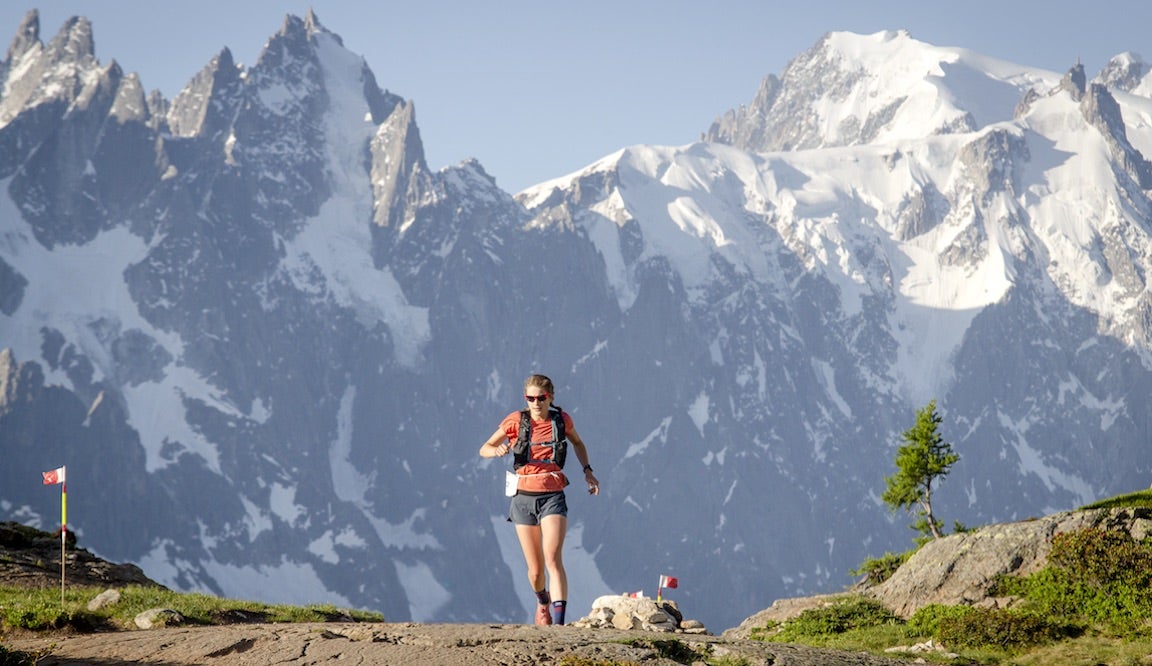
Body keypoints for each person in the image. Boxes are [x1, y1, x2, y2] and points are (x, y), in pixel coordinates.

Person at [479, 374, 599, 626]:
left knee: (553, 558)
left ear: (550, 397)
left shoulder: (561, 421)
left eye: (541, 398)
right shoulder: (515, 421)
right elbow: (485, 447)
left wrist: (588, 471)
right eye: (530, 398)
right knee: (535, 572)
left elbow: (578, 443)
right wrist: (496, 450)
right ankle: (542, 600)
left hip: (553, 496)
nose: (535, 403)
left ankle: (558, 625)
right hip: (523, 498)